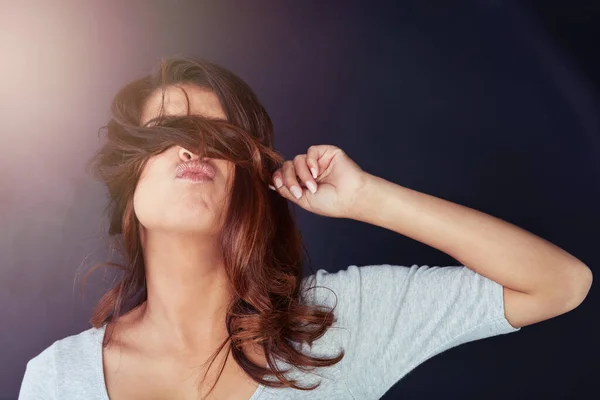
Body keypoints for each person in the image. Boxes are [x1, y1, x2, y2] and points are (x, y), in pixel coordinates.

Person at [18, 56, 592, 400]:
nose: (194, 145)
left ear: (250, 179)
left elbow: (559, 283)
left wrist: (368, 197)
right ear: (129, 181)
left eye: (219, 136)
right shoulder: (58, 378)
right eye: (167, 130)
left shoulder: (339, 325)